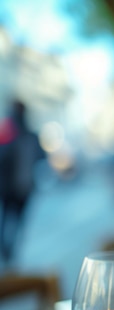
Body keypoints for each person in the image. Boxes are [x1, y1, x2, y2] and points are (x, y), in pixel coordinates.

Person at [0, 99, 45, 265]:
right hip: (12, 187)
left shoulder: (22, 134)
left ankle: (9, 250)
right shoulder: (9, 133)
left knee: (14, 221)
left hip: (22, 187)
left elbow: (41, 156)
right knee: (8, 221)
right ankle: (7, 250)